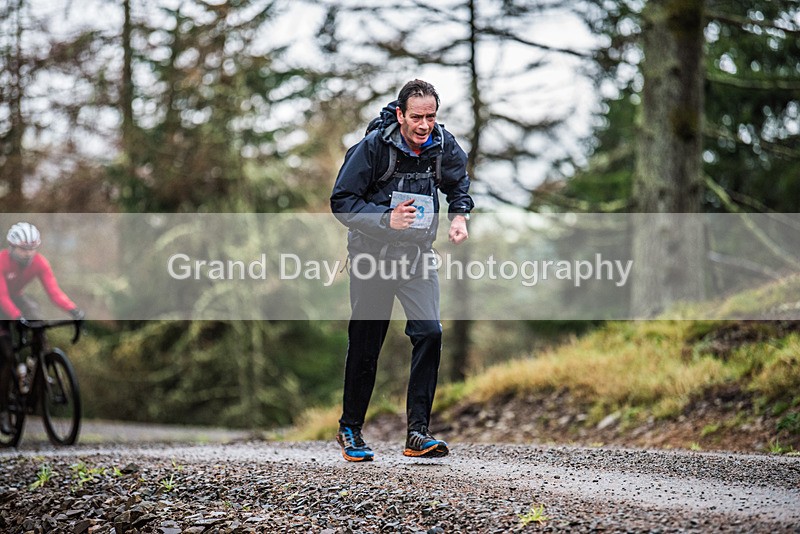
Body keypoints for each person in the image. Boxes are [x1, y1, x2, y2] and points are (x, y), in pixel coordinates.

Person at [330, 79, 474, 461]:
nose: (424, 125)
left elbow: (459, 184)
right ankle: (351, 429)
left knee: (429, 331)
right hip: (371, 257)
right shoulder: (373, 148)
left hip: (416, 257)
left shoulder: (442, 145)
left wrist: (459, 217)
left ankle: (418, 433)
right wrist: (385, 219)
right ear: (400, 114)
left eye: (431, 116)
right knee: (367, 342)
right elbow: (342, 201)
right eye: (417, 117)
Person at [0, 222, 84, 434]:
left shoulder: (39, 263)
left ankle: (38, 362)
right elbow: (2, 297)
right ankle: (2, 411)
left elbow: (54, 292)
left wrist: (73, 310)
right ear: (12, 247)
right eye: (23, 249)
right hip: (1, 302)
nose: (28, 253)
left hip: (16, 298)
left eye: (32, 249)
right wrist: (17, 317)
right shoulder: (1, 261)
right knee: (6, 354)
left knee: (38, 319)